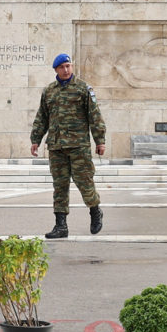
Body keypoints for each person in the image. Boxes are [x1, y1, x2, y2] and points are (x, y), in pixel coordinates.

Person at [30, 53, 106, 239]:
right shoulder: (49, 91)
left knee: (85, 182)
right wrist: (35, 139)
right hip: (56, 147)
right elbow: (42, 117)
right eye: (62, 67)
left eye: (68, 66)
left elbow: (94, 115)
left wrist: (100, 140)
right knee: (60, 186)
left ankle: (95, 211)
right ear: (55, 70)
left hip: (79, 146)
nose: (66, 70)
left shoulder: (82, 88)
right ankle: (61, 226)